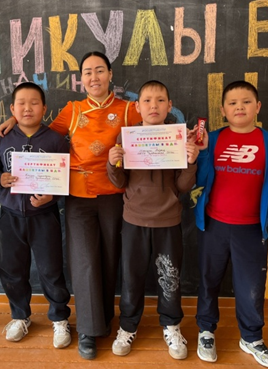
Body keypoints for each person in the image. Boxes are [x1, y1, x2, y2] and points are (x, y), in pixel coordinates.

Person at [0, 52, 142, 359]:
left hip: (116, 194)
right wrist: (14, 119)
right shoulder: (73, 110)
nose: (94, 77)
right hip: (78, 196)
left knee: (110, 259)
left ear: (110, 75)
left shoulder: (129, 109)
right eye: (87, 72)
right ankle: (88, 328)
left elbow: (154, 130)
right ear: (81, 79)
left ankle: (105, 320)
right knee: (84, 260)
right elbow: (41, 133)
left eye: (99, 70)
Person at [193, 80, 268, 368]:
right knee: (209, 280)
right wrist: (203, 152)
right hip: (214, 226)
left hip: (252, 229)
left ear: (258, 107)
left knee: (251, 285)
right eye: (232, 103)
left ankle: (251, 337)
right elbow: (200, 180)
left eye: (246, 102)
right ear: (223, 110)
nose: (239, 107)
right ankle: (206, 331)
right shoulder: (213, 139)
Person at [106, 80, 199, 360]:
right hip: (134, 219)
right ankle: (127, 326)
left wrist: (191, 162)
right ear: (137, 106)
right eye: (147, 100)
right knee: (131, 277)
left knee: (170, 277)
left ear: (169, 106)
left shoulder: (178, 138)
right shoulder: (127, 137)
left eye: (160, 100)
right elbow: (119, 182)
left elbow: (182, 186)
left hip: (168, 220)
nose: (153, 105)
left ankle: (171, 325)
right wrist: (112, 162)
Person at [0, 82, 72, 349]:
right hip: (10, 216)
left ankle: (60, 318)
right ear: (12, 109)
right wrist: (0, 178)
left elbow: (66, 179)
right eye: (21, 103)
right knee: (12, 270)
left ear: (44, 108)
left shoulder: (56, 140)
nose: (27, 108)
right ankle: (20, 316)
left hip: (44, 216)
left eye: (34, 103)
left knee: (51, 269)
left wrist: (52, 196)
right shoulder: (2, 138)